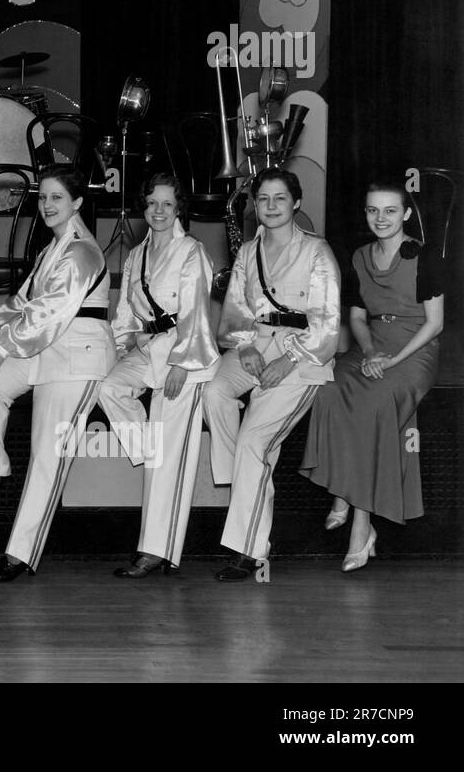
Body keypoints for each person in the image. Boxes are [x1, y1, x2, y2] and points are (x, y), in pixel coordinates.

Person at [0, 166, 116, 582]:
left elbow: (48, 312)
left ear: (77, 203)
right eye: (43, 197)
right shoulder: (51, 249)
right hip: (44, 348)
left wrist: (1, 347)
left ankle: (20, 554)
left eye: (57, 198)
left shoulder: (81, 251)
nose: (48, 205)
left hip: (78, 359)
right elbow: (22, 304)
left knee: (47, 455)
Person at [203, 167, 340, 581]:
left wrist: (289, 358)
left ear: (296, 203)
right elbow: (236, 309)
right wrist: (244, 345)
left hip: (304, 355)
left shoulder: (317, 251)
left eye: (280, 198)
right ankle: (239, 475)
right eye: (263, 198)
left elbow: (327, 323)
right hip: (255, 343)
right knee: (214, 392)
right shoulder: (248, 252)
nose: (271, 206)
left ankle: (249, 551)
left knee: (253, 443)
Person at [300, 181, 444, 571]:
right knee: (328, 390)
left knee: (372, 405)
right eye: (372, 210)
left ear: (406, 214)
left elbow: (434, 324)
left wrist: (392, 361)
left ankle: (361, 525)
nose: (380, 218)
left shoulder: (424, 255)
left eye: (390, 210)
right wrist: (368, 352)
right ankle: (343, 492)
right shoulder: (360, 256)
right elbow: (358, 318)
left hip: (414, 348)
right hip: (373, 344)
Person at [97, 173, 219, 578]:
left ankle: (154, 551)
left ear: (179, 207)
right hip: (149, 349)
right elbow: (125, 314)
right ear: (143, 207)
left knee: (167, 464)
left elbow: (197, 312)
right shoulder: (136, 254)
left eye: (167, 203)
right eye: (152, 203)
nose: (159, 211)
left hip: (184, 354)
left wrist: (183, 363)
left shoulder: (192, 251)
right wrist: (120, 349)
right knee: (109, 388)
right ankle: (149, 449)